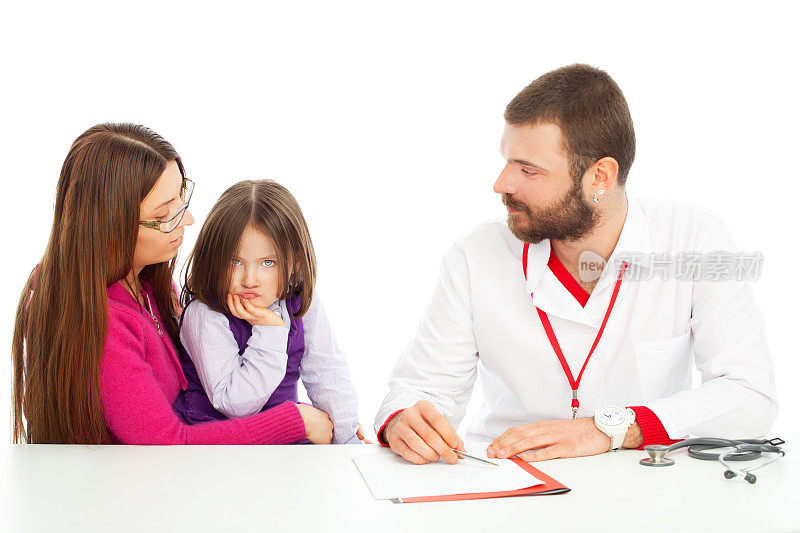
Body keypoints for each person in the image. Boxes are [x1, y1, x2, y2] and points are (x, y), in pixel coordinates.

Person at [374, 64, 778, 465]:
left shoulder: (693, 241)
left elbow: (750, 395)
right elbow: (419, 388)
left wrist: (611, 428)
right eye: (507, 161)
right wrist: (402, 420)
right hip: (509, 481)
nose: (502, 184)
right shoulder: (475, 254)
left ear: (600, 176)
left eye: (528, 169)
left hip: (645, 485)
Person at [12, 123, 333, 445]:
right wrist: (296, 422)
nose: (188, 220)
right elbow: (167, 445)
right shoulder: (98, 323)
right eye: (165, 214)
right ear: (111, 225)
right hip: (130, 488)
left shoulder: (148, 285)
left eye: (182, 197)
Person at [172, 179, 365, 444]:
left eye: (267, 262)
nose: (250, 279)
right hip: (219, 445)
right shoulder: (205, 314)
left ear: (295, 261)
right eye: (235, 261)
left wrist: (346, 438)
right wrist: (269, 331)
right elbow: (235, 404)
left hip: (285, 441)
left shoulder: (297, 301)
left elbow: (327, 371)